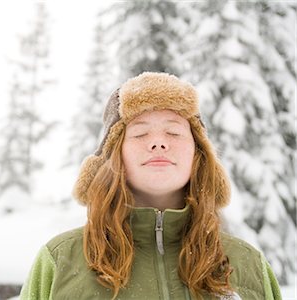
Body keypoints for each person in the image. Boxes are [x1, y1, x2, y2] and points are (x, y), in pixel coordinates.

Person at [20, 72, 282, 299]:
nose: (158, 143)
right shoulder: (60, 260)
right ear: (114, 154)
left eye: (174, 132)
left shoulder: (248, 265)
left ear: (197, 154)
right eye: (140, 133)